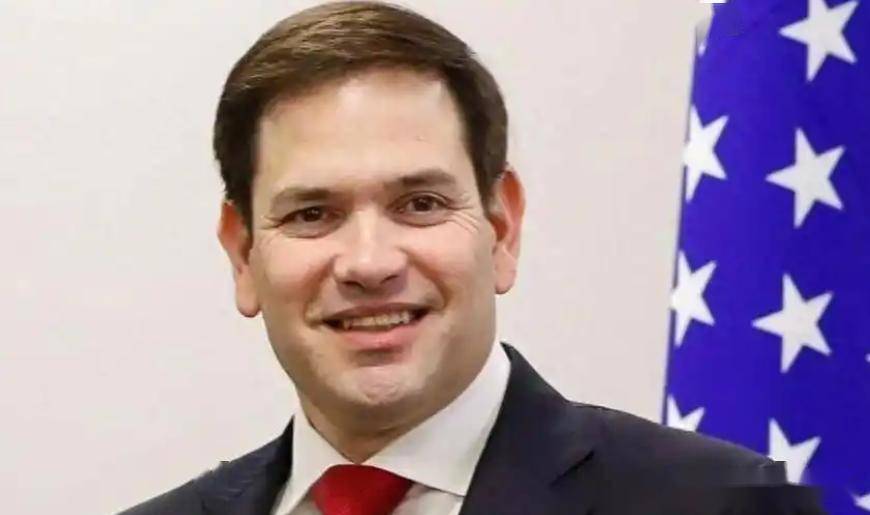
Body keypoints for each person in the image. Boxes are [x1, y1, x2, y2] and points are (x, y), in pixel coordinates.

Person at [121, 2, 824, 514]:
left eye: (420, 203)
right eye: (313, 214)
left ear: (502, 228)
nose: (369, 262)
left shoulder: (722, 504)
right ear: (243, 254)